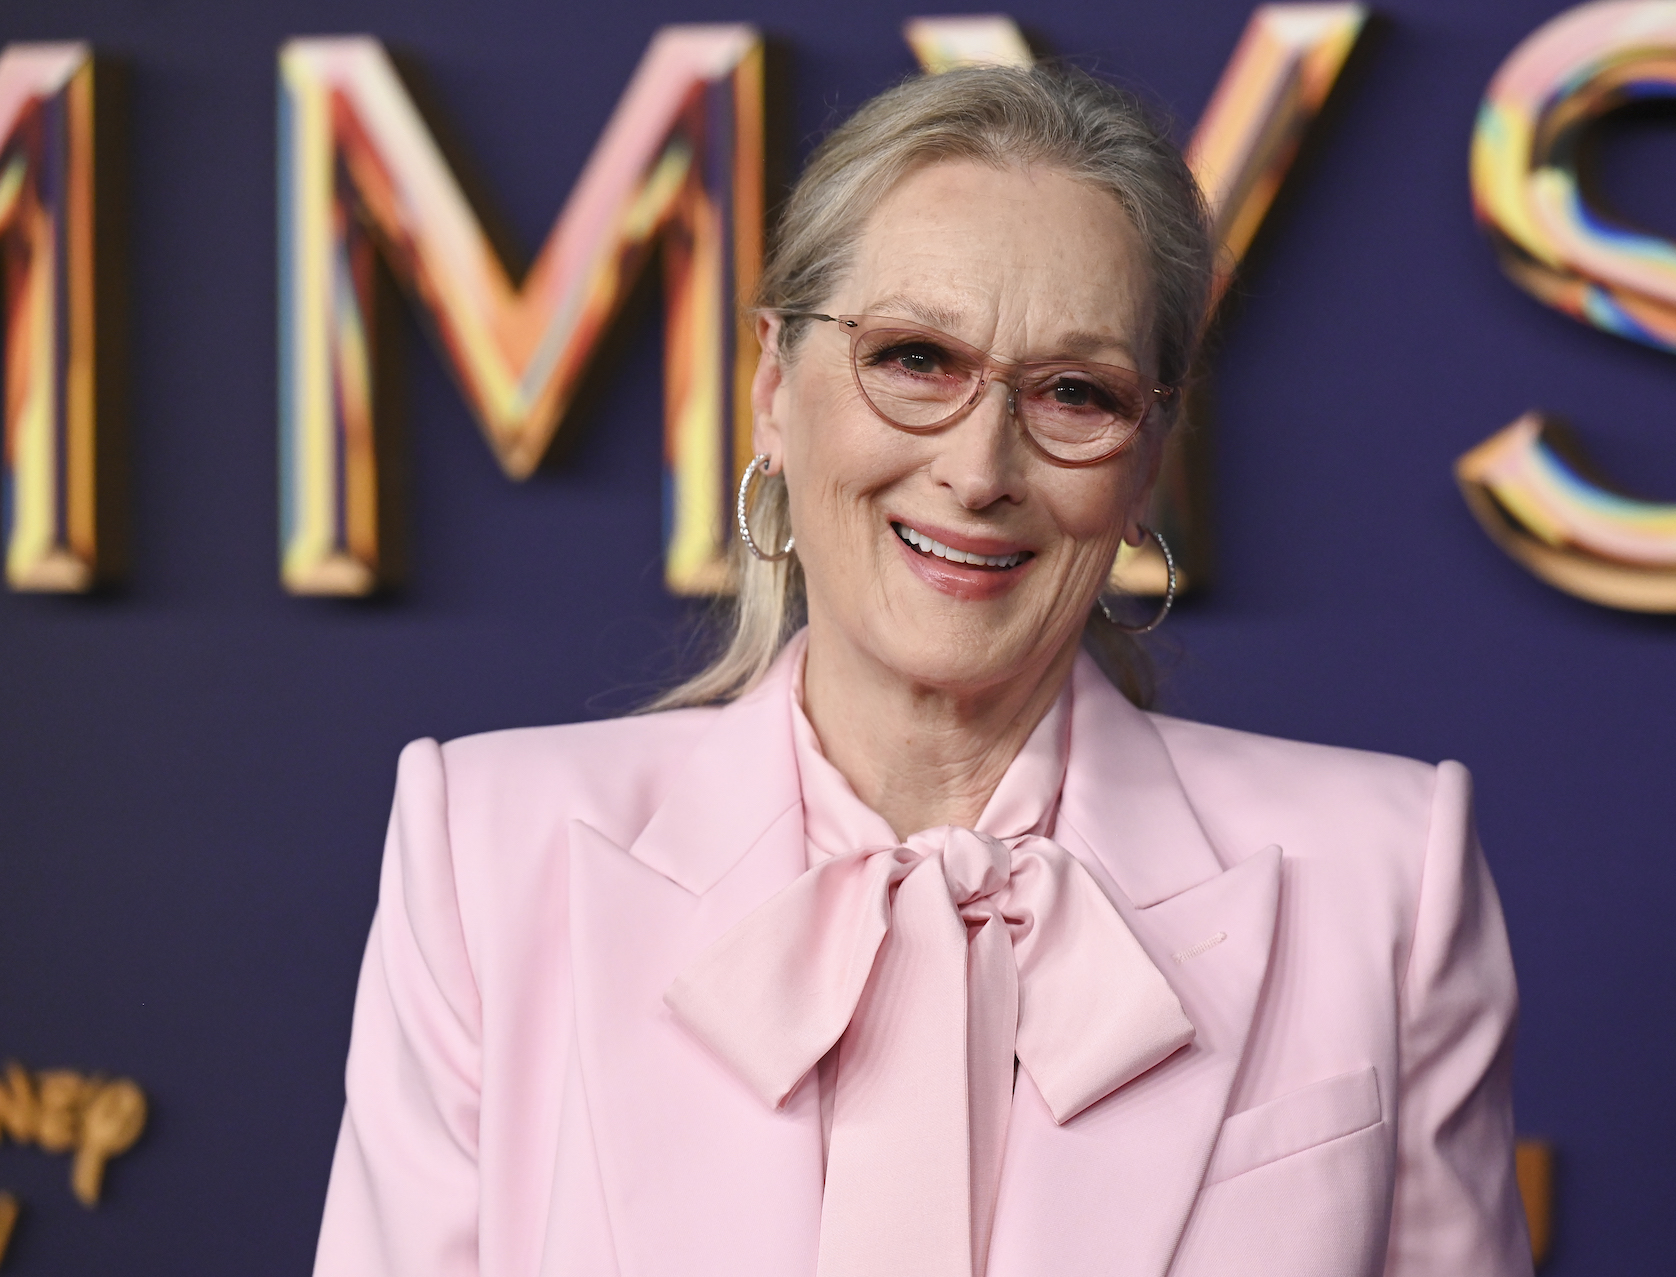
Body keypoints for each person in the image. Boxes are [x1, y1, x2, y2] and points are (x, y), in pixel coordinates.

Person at [312, 64, 1533, 1277]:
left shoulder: (1384, 882)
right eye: (915, 358)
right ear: (774, 392)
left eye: (1073, 391)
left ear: (1149, 454)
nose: (979, 467)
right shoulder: (486, 850)